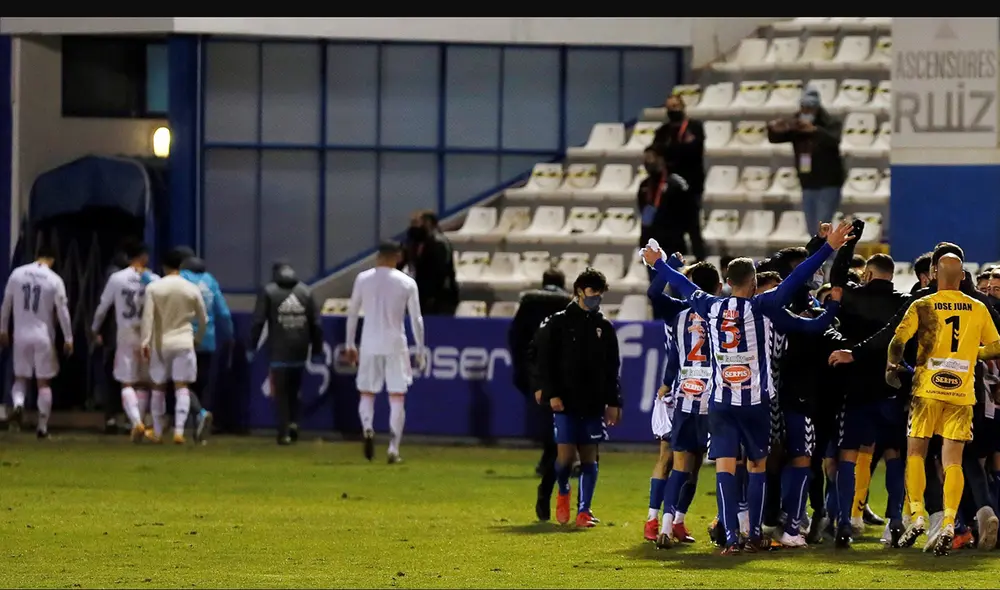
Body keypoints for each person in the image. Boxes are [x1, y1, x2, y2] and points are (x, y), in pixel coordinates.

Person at [643, 221, 853, 554]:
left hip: (721, 402)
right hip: (756, 402)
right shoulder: (763, 306)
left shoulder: (709, 306)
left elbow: (682, 283)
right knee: (756, 466)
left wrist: (658, 263)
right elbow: (798, 277)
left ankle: (731, 538)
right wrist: (829, 248)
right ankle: (753, 533)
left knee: (725, 466)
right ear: (754, 283)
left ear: (727, 283)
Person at [885, 253, 1000, 556]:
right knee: (953, 461)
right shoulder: (977, 307)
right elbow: (997, 346)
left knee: (916, 452)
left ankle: (917, 514)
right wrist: (973, 354)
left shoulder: (922, 304)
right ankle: (949, 522)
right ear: (962, 276)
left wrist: (891, 367)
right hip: (961, 393)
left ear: (935, 274)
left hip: (926, 390)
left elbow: (897, 342)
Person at [828, 236, 912, 548]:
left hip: (857, 388)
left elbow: (836, 275)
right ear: (891, 275)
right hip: (891, 388)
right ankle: (895, 521)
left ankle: (844, 522)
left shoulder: (854, 296)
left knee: (848, 454)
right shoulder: (905, 303)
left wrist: (848, 243)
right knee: (893, 454)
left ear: (868, 273)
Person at [532, 268, 622, 528]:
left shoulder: (604, 327)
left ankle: (584, 511)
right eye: (593, 292)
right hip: (565, 400)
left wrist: (614, 401)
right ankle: (563, 489)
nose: (597, 297)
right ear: (579, 291)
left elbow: (612, 368)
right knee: (565, 458)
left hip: (593, 401)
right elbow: (544, 360)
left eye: (600, 293)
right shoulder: (558, 323)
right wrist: (551, 393)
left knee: (589, 456)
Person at [652, 261, 723, 548]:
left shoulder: (679, 315)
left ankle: (666, 526)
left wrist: (671, 270)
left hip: (685, 397)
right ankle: (735, 527)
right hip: (715, 398)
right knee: (715, 466)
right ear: (719, 287)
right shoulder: (722, 311)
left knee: (680, 465)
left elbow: (654, 293)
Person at [345, 241, 425, 463]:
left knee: (367, 393)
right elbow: (416, 319)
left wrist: (350, 343)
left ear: (378, 256)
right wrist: (420, 348)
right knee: (397, 396)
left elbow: (352, 312)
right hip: (395, 343)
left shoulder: (363, 279)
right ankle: (393, 448)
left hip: (369, 342)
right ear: (397, 256)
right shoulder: (407, 283)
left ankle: (368, 427)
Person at [507, 268, 572, 521]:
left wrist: (521, 367)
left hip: (534, 373)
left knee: (546, 416)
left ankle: (549, 462)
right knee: (560, 420)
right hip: (561, 375)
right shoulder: (567, 305)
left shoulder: (529, 303)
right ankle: (553, 463)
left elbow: (515, 337)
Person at [0, 244, 73, 438]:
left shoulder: (17, 274)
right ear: (52, 260)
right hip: (43, 335)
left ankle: (18, 404)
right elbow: (63, 312)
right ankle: (42, 427)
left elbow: (6, 303)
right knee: (44, 383)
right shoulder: (54, 279)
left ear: (36, 255)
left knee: (20, 378)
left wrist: (3, 329)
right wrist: (68, 337)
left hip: (20, 334)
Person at [250, 259, 324, 446]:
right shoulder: (305, 292)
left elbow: (258, 321)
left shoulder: (269, 292)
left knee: (281, 393)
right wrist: (317, 349)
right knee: (294, 390)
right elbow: (316, 324)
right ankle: (294, 424)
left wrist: (251, 346)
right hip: (300, 351)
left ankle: (284, 433)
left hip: (279, 351)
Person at [91, 242, 159, 442]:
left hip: (125, 332)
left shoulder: (117, 278)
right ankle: (139, 422)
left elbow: (103, 307)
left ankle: (136, 422)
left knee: (126, 382)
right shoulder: (154, 279)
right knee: (144, 383)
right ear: (144, 257)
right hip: (147, 334)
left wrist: (95, 328)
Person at [141, 248, 207, 444]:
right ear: (181, 266)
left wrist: (145, 341)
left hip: (161, 343)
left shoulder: (154, 288)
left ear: (163, 266)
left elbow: (148, 317)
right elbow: (203, 319)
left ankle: (158, 432)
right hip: (184, 341)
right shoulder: (191, 288)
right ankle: (179, 431)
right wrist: (197, 338)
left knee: (158, 387)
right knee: (182, 386)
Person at [766, 86, 844, 234]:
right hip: (808, 183)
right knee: (812, 229)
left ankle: (826, 250)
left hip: (828, 183)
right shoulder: (796, 124)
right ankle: (823, 249)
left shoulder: (830, 123)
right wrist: (773, 128)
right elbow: (775, 138)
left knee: (822, 225)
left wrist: (814, 130)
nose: (806, 111)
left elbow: (834, 140)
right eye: (804, 107)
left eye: (810, 108)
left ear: (817, 108)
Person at [180, 254, 234, 443]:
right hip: (207, 341)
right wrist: (230, 335)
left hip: (184, 338)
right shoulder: (210, 282)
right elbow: (224, 313)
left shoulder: (181, 279)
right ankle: (198, 426)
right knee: (202, 385)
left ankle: (196, 416)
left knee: (180, 382)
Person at [652, 95, 707, 261]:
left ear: (683, 107)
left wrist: (673, 150)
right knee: (673, 229)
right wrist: (679, 148)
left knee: (693, 227)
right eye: (669, 107)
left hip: (692, 184)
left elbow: (693, 151)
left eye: (676, 106)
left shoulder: (695, 127)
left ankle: (701, 262)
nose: (673, 110)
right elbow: (657, 152)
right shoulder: (662, 131)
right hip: (670, 186)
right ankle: (676, 262)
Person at [637, 146, 692, 258]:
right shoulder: (644, 185)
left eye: (650, 158)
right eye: (645, 159)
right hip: (651, 245)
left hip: (671, 244)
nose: (647, 162)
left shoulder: (675, 184)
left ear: (660, 159)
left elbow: (688, 214)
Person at [402, 210, 459, 316]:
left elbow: (440, 272)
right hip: (419, 295)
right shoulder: (412, 243)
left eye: (416, 223)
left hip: (440, 297)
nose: (412, 227)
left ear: (427, 223)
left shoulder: (439, 243)